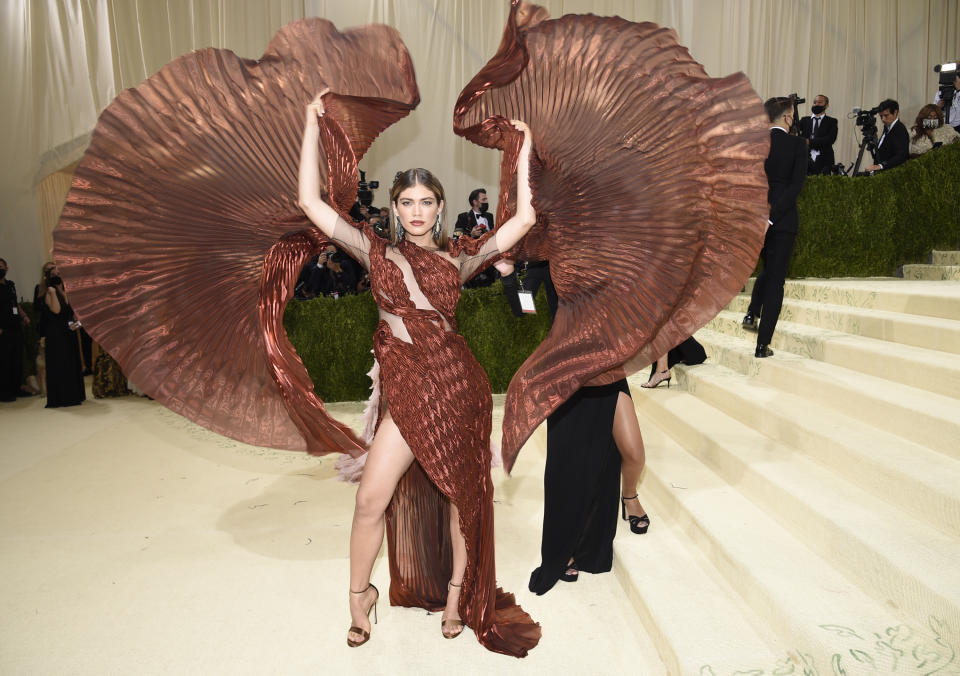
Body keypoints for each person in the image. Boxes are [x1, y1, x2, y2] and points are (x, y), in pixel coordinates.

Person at [298, 91, 540, 654]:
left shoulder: (461, 256)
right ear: (394, 208)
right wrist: (311, 124)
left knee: (462, 496)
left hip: (457, 386)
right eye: (405, 201)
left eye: (425, 201)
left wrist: (523, 146)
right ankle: (360, 595)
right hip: (405, 389)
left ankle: (458, 593)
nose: (414, 211)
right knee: (368, 500)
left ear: (438, 206)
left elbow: (525, 217)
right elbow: (309, 201)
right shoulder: (373, 252)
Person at [742, 97, 808, 358]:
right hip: (783, 223)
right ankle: (762, 345)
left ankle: (751, 311)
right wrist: (772, 217)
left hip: (754, 222)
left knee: (767, 271)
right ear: (787, 118)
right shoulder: (797, 145)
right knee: (775, 281)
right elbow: (795, 188)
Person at [42, 265, 86, 407]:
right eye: (53, 274)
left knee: (72, 362)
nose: (57, 276)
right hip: (56, 335)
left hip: (69, 332)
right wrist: (53, 292)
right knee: (62, 364)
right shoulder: (49, 293)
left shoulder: (68, 291)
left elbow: (74, 315)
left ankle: (75, 394)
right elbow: (56, 310)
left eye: (59, 273)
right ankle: (64, 397)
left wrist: (78, 324)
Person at [0, 258, 32, 401]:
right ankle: (5, 392)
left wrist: (24, 316)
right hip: (3, 330)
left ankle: (17, 388)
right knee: (4, 361)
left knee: (17, 359)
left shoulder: (10, 285)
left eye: (1, 267)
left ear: (7, 268)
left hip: (15, 327)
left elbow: (15, 303)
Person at [866, 99, 909, 172]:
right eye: (881, 116)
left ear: (895, 113)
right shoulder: (887, 127)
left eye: (886, 115)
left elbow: (901, 156)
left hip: (892, 174)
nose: (883, 119)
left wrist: (881, 166)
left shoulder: (899, 129)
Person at [798, 94, 837, 174]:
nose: (816, 104)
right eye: (815, 102)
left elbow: (830, 139)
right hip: (805, 158)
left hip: (824, 159)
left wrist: (809, 142)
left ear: (826, 105)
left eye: (820, 102)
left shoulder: (832, 121)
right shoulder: (804, 120)